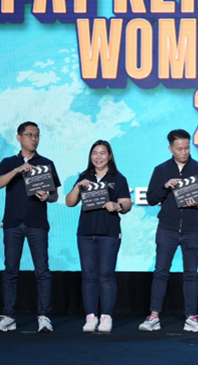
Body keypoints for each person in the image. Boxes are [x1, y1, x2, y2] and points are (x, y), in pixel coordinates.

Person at [139, 129, 198, 332]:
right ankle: (153, 316)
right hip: (167, 229)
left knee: (191, 274)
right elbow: (151, 199)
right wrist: (165, 186)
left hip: (192, 229)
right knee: (161, 272)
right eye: (179, 149)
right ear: (170, 148)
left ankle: (191, 318)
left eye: (187, 148)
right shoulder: (161, 169)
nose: (184, 152)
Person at [0, 121, 61, 333]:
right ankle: (9, 317)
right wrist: (17, 170)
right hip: (12, 224)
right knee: (10, 271)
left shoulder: (46, 163)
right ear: (19, 137)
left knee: (42, 271)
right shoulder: (8, 162)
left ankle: (44, 317)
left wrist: (47, 197)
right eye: (29, 135)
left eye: (37, 135)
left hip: (37, 224)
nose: (34, 138)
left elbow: (55, 195)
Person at [65, 140, 132, 333]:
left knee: (106, 275)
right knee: (88, 276)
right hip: (85, 233)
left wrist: (117, 206)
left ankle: (106, 317)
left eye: (102, 153)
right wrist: (78, 187)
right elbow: (69, 202)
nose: (98, 157)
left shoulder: (118, 178)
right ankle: (90, 317)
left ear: (109, 156)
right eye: (95, 153)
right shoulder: (84, 177)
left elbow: (127, 204)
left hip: (109, 233)